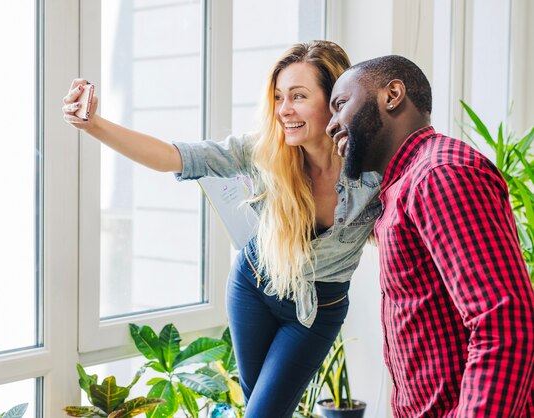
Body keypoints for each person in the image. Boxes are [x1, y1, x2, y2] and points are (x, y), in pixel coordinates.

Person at [63, 41, 382, 417]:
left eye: (298, 96)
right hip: (253, 288)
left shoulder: (373, 168)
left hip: (315, 311)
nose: (284, 110)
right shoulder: (265, 151)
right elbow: (173, 157)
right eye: (278, 97)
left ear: (336, 102)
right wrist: (94, 125)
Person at [326, 55, 534, 417]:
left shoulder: (440, 173)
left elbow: (503, 324)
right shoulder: (404, 184)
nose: (331, 125)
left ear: (392, 94)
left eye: (341, 104)